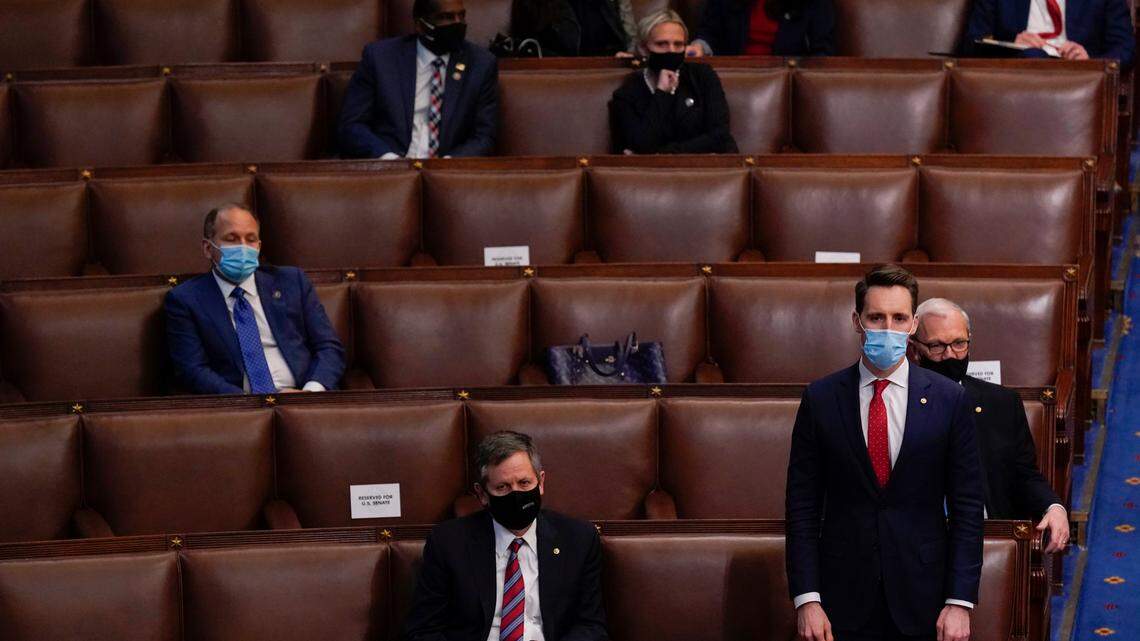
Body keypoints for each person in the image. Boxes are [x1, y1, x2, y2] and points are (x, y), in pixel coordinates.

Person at [785, 265, 983, 641]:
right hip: (840, 598)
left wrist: (960, 600)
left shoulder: (949, 400)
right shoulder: (821, 399)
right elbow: (802, 507)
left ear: (913, 325)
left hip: (925, 596)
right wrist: (807, 599)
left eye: (899, 318)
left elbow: (968, 507)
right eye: (876, 317)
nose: (887, 328)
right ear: (857, 321)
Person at [404, 430, 608, 641]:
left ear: (541, 482)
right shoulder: (448, 543)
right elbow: (423, 631)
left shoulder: (578, 539)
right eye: (502, 487)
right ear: (482, 494)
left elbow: (591, 626)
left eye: (524, 483)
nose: (516, 495)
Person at [910, 298, 1069, 554]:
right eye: (937, 346)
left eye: (959, 344)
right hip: (914, 541)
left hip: (986, 538)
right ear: (914, 349)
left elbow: (1024, 475)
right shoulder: (896, 404)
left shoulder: (1002, 404)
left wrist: (1054, 507)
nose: (950, 355)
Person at [164, 204, 346, 395]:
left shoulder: (292, 282)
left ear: (258, 247)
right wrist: (249, 403)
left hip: (303, 399)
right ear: (208, 248)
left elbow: (328, 347)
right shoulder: (185, 300)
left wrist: (310, 393)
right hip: (239, 410)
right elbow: (193, 370)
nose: (243, 247)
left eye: (250, 240)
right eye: (232, 239)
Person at [337, 0, 498, 159]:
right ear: (420, 26)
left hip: (448, 171)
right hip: (390, 167)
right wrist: (387, 159)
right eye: (446, 17)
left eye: (461, 16)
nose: (457, 24)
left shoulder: (480, 64)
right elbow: (352, 125)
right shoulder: (380, 58)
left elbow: (485, 137)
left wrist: (449, 165)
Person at [609, 10, 738, 155]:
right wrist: (662, 93)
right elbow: (641, 145)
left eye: (678, 44)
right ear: (643, 49)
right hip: (655, 176)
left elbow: (720, 136)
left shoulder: (702, 76)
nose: (671, 51)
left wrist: (663, 153)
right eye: (662, 44)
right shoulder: (628, 94)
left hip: (707, 170)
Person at [962, 0, 1134, 69]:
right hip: (1015, 73)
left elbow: (1125, 48)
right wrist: (1011, 43)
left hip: (1079, 76)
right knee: (1032, 55)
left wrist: (1090, 61)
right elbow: (972, 42)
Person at [691, 0, 835, 56]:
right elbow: (708, 33)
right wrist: (700, 47)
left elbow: (822, 52)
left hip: (789, 86)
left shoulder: (817, 3)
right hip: (733, 80)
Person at [508, 0, 638, 56]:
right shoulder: (533, 3)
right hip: (558, 79)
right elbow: (528, 54)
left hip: (611, 74)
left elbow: (630, 42)